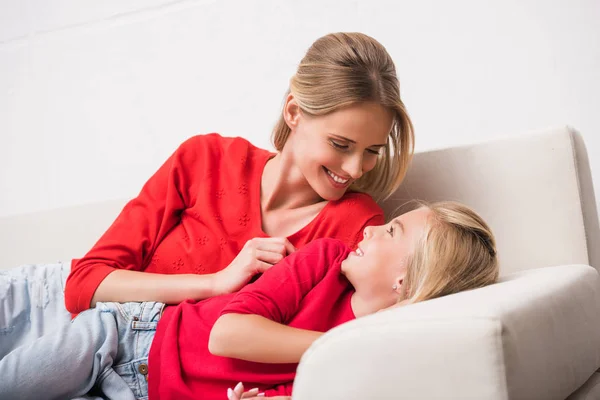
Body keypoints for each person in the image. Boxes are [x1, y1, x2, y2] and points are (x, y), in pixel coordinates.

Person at [0, 31, 415, 359]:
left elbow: (338, 342)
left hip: (126, 370)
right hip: (37, 308)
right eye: (341, 144)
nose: (354, 169)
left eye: (372, 152)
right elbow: (84, 282)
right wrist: (216, 283)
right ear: (294, 112)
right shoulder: (206, 159)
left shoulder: (358, 226)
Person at [0, 201, 500, 400]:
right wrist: (343, 344)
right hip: (128, 337)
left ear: (406, 283)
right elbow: (227, 333)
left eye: (391, 231)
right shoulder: (325, 259)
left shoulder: (360, 376)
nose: (371, 227)